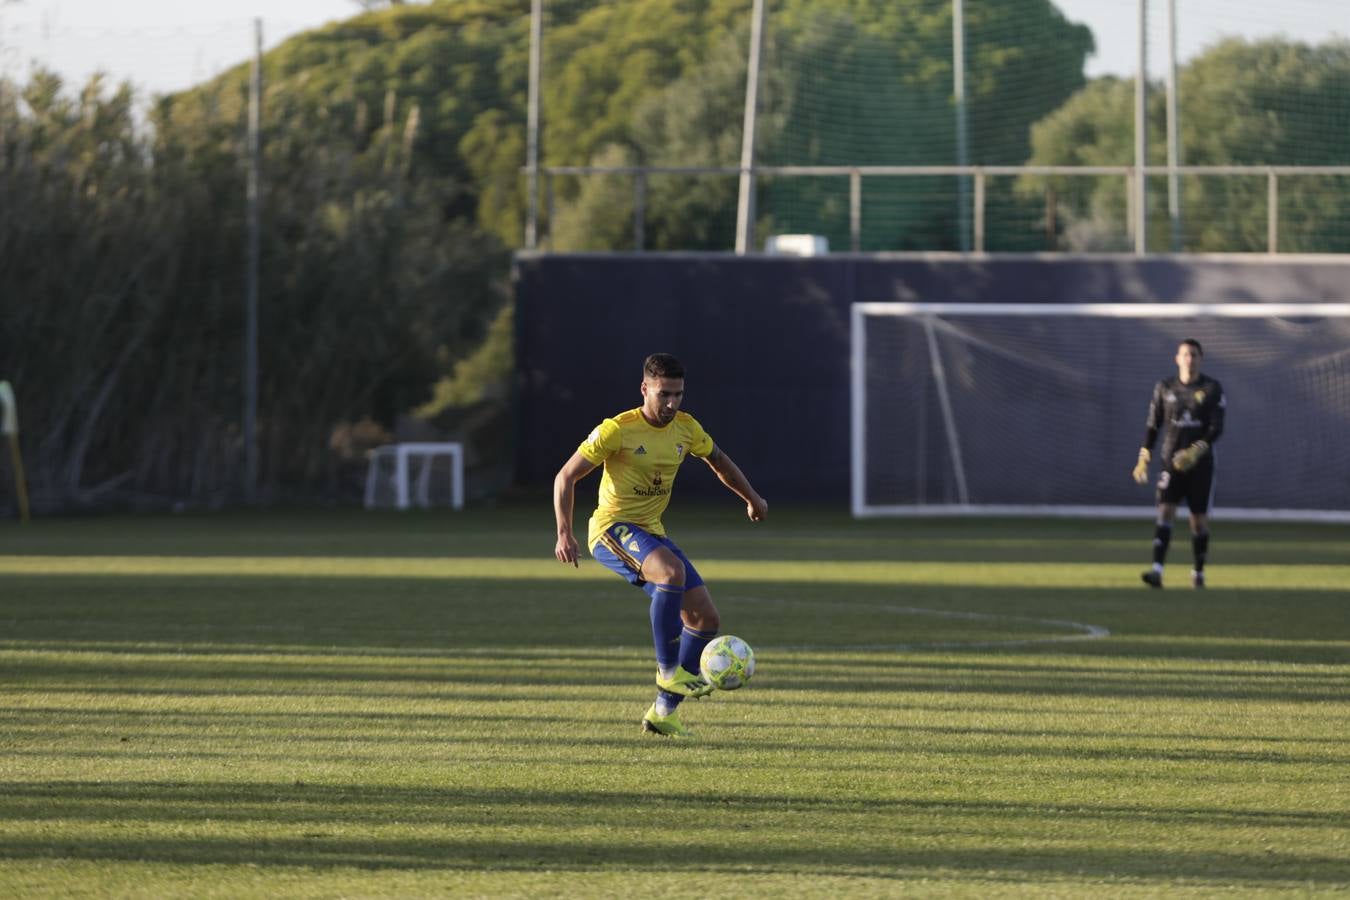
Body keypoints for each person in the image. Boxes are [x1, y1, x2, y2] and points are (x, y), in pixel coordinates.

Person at [553, 353, 768, 738]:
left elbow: (719, 461)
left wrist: (751, 497)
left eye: (678, 395)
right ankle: (669, 670)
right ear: (645, 389)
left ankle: (663, 713)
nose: (671, 403)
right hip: (611, 530)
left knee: (705, 619)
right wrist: (564, 532)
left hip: (651, 532)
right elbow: (565, 477)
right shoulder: (617, 429)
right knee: (671, 572)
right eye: (664, 394)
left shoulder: (687, 429)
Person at [1131, 338, 1226, 589]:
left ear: (1200, 358)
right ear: (1177, 358)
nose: (1189, 359)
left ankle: (1198, 572)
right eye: (1185, 354)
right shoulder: (1165, 387)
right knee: (1165, 511)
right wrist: (1144, 456)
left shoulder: (1212, 388)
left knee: (1198, 521)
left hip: (1200, 465)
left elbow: (1217, 428)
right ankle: (1157, 571)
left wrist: (1195, 451)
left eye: (1194, 354)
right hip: (1170, 462)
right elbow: (1153, 424)